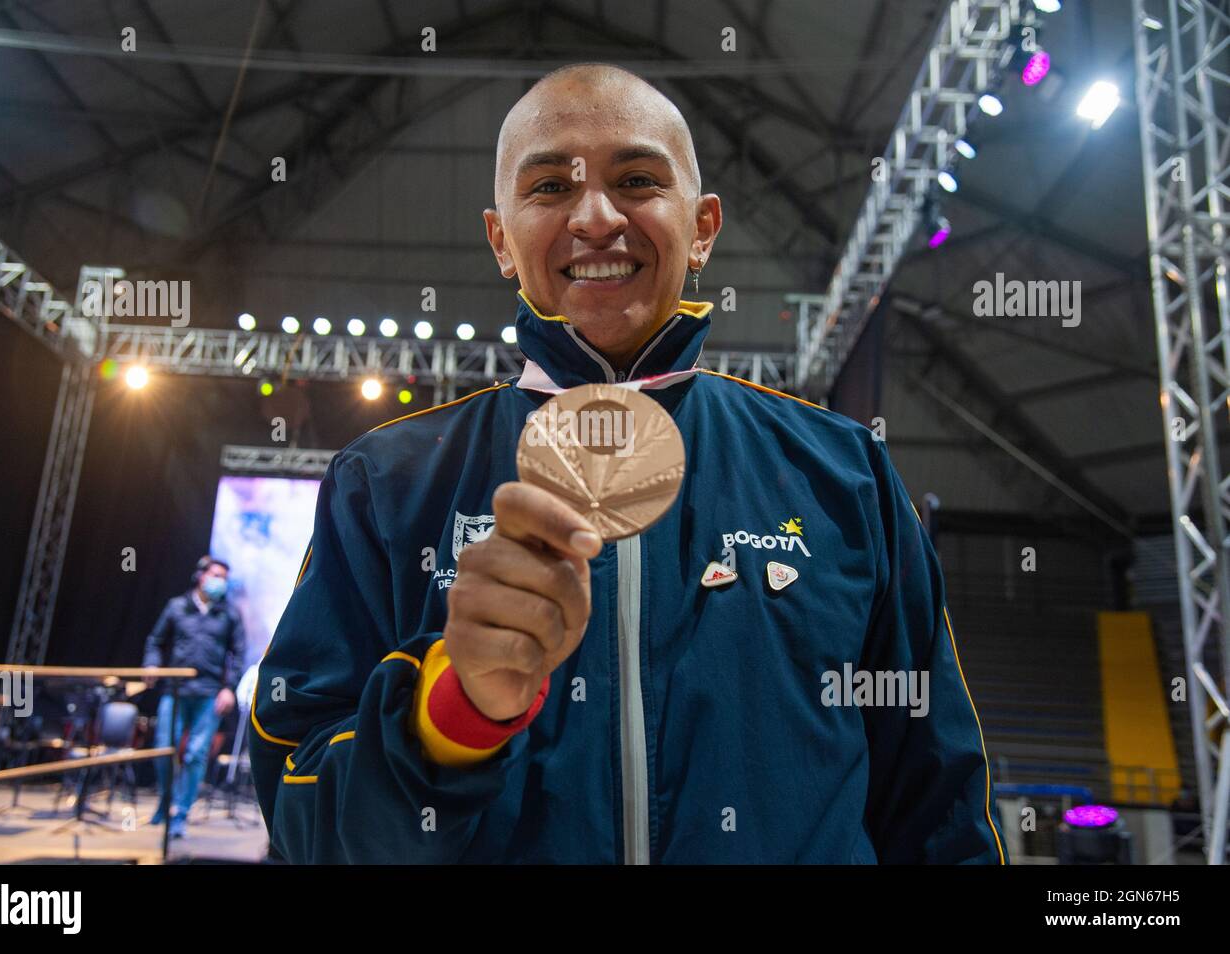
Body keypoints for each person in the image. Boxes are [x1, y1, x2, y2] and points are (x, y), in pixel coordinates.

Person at [250, 63, 1007, 864]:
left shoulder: (844, 474)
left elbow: (940, 809)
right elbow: (304, 820)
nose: (596, 218)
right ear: (501, 240)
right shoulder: (388, 481)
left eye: (638, 179)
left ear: (704, 226)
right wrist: (448, 719)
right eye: (549, 188)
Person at [142, 555, 245, 838]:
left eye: (224, 577)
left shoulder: (229, 614)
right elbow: (155, 640)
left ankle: (182, 814)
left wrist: (229, 688)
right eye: (215, 575)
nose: (219, 581)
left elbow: (238, 654)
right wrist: (151, 664)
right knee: (164, 748)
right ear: (200, 576)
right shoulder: (177, 607)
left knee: (196, 755)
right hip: (174, 691)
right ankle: (164, 802)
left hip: (209, 694)